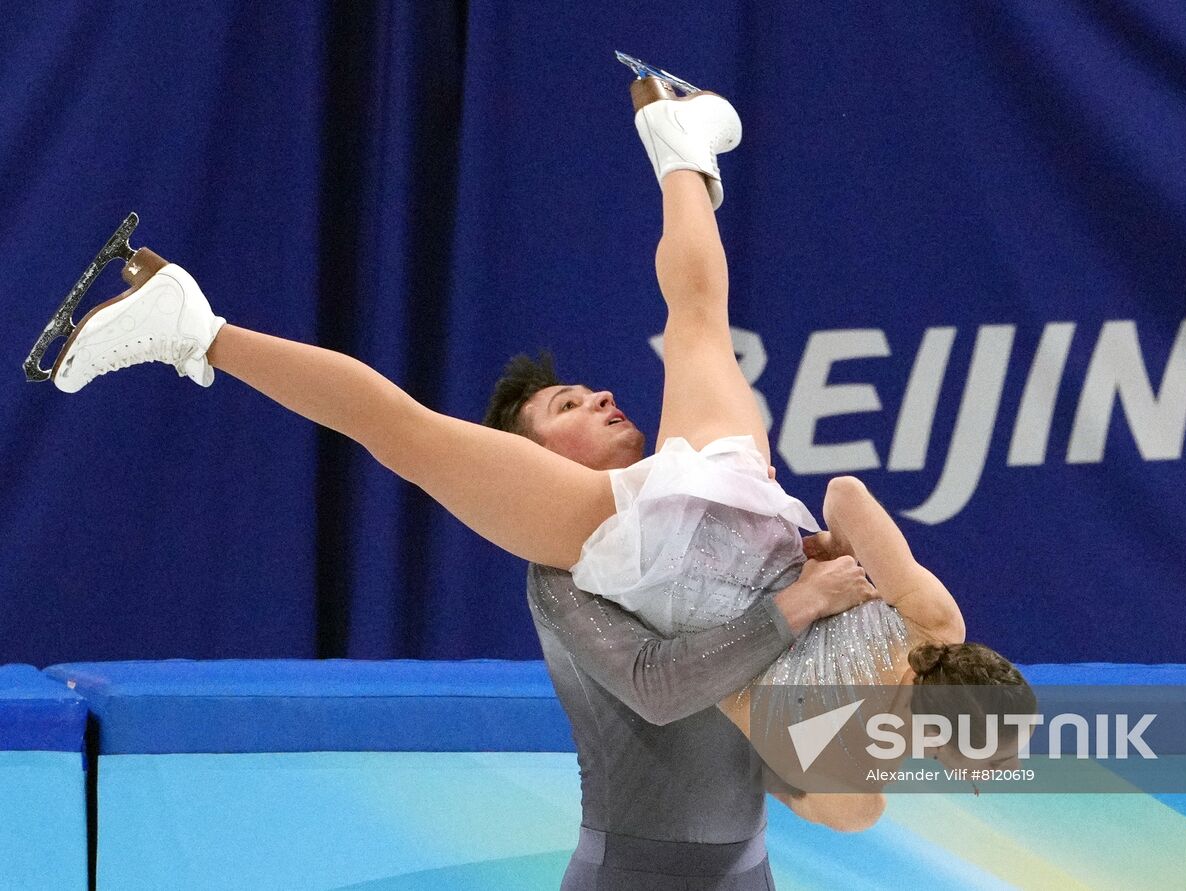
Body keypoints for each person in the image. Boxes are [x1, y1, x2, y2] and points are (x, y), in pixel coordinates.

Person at [42, 54, 1030, 882]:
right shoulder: (848, 766)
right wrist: (797, 615)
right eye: (566, 406)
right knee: (413, 437)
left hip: (746, 505)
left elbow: (845, 506)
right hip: (693, 565)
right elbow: (721, 699)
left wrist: (822, 558)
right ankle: (197, 327)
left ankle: (680, 151)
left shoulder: (931, 622)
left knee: (692, 328)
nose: (601, 398)